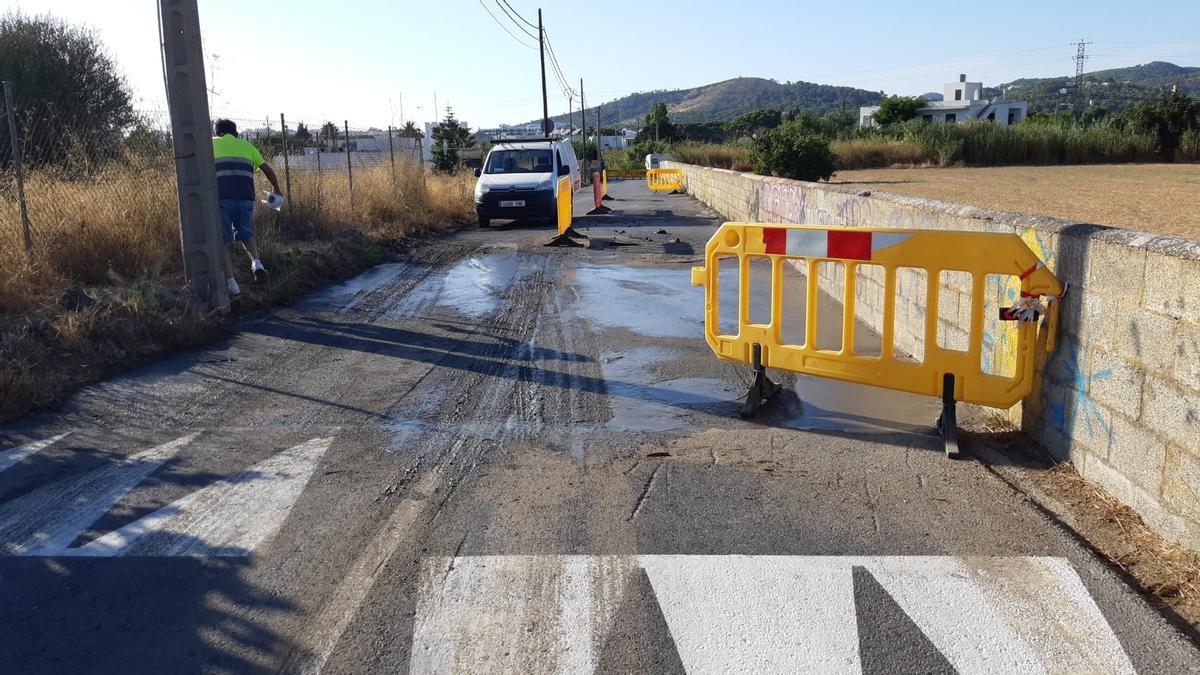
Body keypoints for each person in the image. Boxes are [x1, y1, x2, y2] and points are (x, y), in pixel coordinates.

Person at [212, 119, 285, 296]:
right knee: (246, 234)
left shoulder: (210, 144)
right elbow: (267, 169)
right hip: (245, 199)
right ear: (236, 132)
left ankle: (232, 284)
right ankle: (257, 263)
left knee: (223, 242)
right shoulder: (247, 146)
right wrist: (276, 188)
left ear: (217, 133)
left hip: (222, 199)